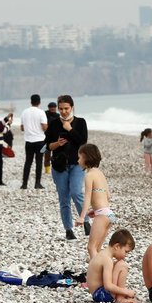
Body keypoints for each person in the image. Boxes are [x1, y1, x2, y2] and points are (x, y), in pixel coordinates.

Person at [44, 95, 89, 240]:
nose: (63, 111)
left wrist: (69, 129)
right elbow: (48, 146)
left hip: (77, 164)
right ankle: (68, 229)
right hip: (59, 166)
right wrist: (57, 144)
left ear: (72, 107)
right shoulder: (54, 123)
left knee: (76, 192)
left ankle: (86, 221)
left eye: (66, 108)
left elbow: (83, 142)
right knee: (64, 198)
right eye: (61, 108)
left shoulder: (80, 122)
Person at [76, 144, 116, 260]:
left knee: (91, 248)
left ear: (86, 157)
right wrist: (95, 209)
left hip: (102, 215)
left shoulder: (89, 175)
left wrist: (82, 217)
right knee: (98, 248)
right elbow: (108, 196)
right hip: (109, 214)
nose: (78, 160)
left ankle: (96, 275)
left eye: (79, 157)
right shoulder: (100, 173)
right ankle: (104, 273)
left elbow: (87, 198)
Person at [86, 229, 137, 303]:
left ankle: (120, 297)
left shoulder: (102, 254)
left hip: (97, 294)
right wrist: (126, 292)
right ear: (117, 246)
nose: (126, 255)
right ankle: (120, 298)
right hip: (101, 295)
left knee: (118, 264)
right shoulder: (107, 260)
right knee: (122, 265)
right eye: (126, 252)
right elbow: (108, 286)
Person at [19, 94, 48, 189]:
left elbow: (22, 128)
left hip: (28, 141)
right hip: (40, 141)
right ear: (39, 102)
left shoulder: (24, 112)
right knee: (39, 162)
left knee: (28, 162)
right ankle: (37, 183)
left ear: (31, 102)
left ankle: (24, 184)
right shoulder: (41, 112)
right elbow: (44, 127)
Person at [43, 101, 59, 174]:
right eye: (51, 107)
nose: (52, 109)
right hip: (47, 138)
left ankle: (56, 168)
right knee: (47, 155)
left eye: (54, 107)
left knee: (57, 155)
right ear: (48, 108)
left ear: (56, 108)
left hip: (56, 138)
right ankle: (47, 171)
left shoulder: (58, 116)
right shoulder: (44, 114)